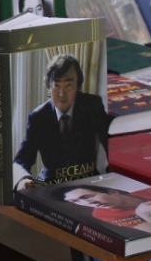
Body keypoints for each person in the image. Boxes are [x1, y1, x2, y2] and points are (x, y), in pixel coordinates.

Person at [12, 54, 109, 190]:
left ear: (78, 86)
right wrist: (23, 180)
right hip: (50, 186)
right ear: (49, 87)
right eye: (56, 85)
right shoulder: (38, 117)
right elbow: (20, 160)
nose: (62, 94)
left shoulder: (92, 106)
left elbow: (112, 144)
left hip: (87, 184)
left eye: (69, 85)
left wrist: (114, 175)